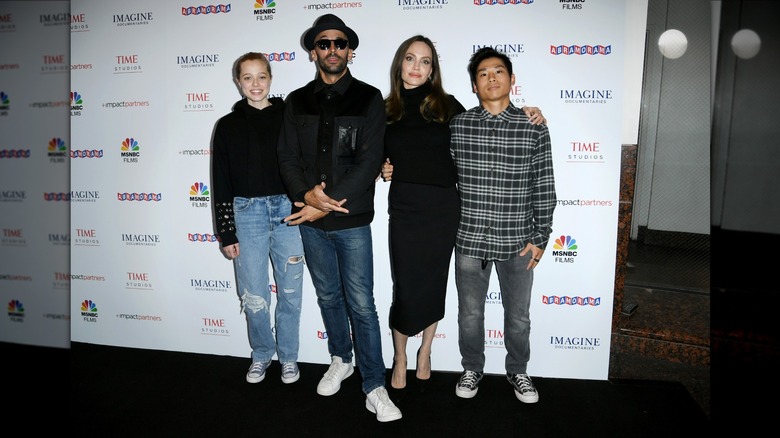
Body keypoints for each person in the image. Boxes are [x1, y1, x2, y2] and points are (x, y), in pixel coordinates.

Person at [380, 36, 547, 390]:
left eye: (425, 61)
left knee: (435, 285)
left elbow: (496, 120)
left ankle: (425, 352)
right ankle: (400, 357)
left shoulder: (448, 107)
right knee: (405, 286)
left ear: (433, 69)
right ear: (400, 64)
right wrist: (383, 165)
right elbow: (370, 153)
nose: (416, 66)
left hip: (444, 210)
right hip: (407, 208)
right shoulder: (384, 110)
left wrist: (531, 111)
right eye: (410, 59)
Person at [276, 14, 402, 422]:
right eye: (324, 43)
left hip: (350, 220)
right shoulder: (296, 100)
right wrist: (304, 197)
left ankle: (374, 384)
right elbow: (287, 157)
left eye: (341, 43)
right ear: (314, 51)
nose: (333, 49)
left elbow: (368, 162)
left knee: (362, 304)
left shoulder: (368, 98)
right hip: (311, 221)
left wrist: (322, 202)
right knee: (328, 297)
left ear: (350, 50)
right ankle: (340, 358)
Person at [449, 47, 556, 404]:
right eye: (483, 73)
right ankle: (472, 367)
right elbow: (431, 168)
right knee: (469, 315)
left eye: (498, 71)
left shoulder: (533, 126)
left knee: (519, 317)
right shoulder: (459, 125)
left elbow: (544, 185)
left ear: (512, 80)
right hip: (470, 240)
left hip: (518, 241)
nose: (491, 78)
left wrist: (541, 237)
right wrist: (391, 166)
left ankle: (518, 370)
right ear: (474, 85)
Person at [211, 52, 306, 385]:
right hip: (246, 214)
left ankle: (290, 357)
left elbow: (302, 165)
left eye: (261, 76)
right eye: (247, 77)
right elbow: (220, 179)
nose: (255, 84)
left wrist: (305, 205)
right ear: (238, 82)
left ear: (271, 78)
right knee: (254, 295)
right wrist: (226, 232)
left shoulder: (288, 119)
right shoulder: (226, 126)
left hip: (287, 213)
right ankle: (263, 354)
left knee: (291, 292)